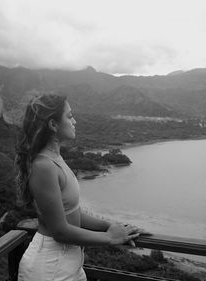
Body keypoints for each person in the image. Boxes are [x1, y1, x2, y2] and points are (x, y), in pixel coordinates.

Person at [14, 94, 149, 281]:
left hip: (69, 263)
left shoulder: (55, 159)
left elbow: (73, 212)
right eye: (69, 117)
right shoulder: (43, 166)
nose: (75, 121)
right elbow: (60, 230)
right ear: (53, 125)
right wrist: (110, 238)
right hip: (50, 267)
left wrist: (110, 225)